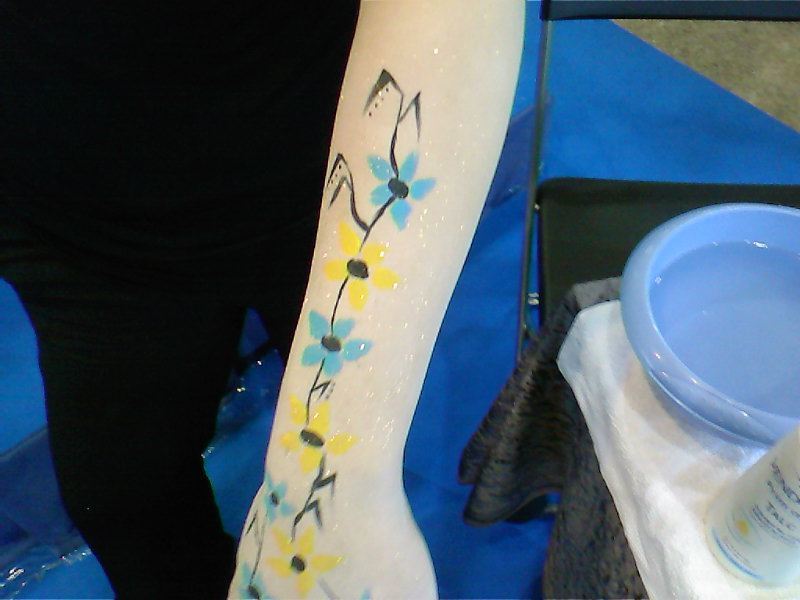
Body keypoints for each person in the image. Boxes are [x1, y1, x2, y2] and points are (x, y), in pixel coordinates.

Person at [1, 1, 524, 598]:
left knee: (329, 511)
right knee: (123, 500)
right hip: (68, 222)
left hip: (328, 184)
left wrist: (334, 479)